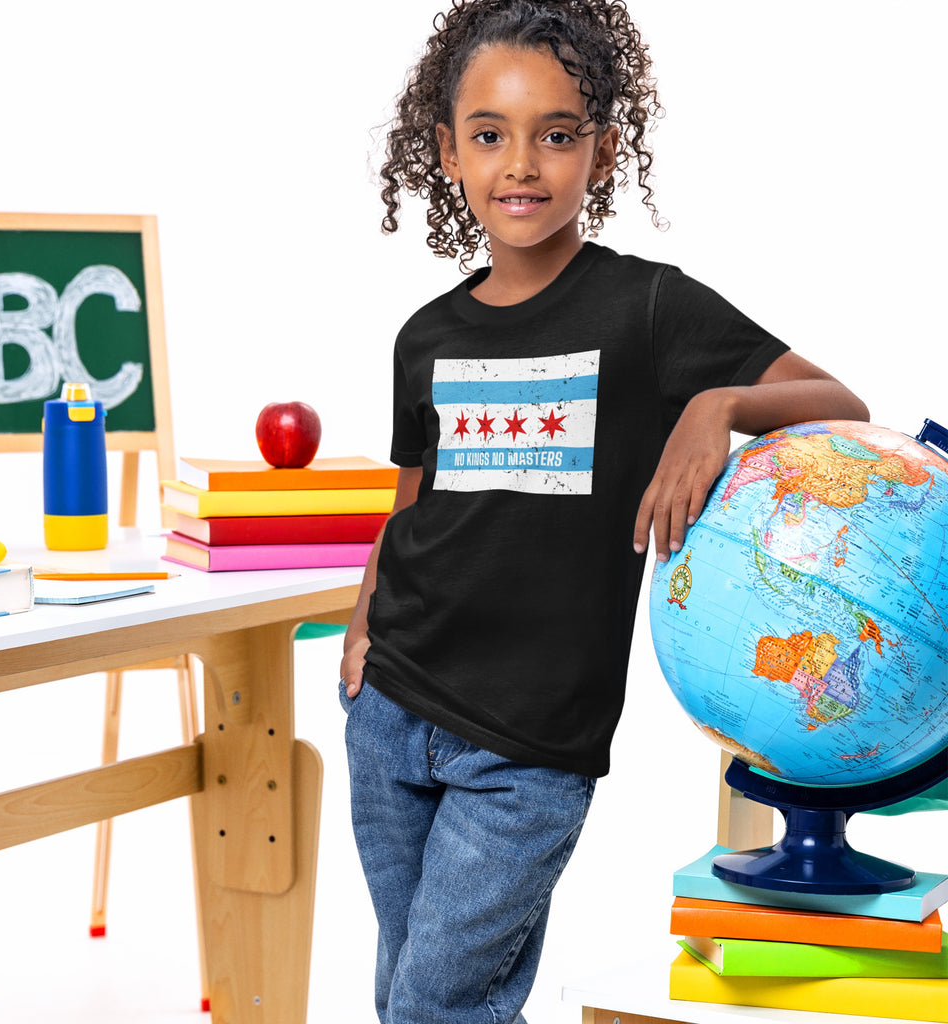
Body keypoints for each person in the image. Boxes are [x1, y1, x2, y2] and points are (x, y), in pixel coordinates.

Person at [338, 2, 869, 1021]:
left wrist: (719, 403)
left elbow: (838, 403)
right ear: (447, 151)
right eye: (489, 134)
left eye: (557, 132)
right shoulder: (423, 335)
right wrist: (365, 621)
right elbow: (414, 502)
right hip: (392, 711)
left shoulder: (651, 310)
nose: (521, 162)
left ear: (602, 149)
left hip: (528, 747)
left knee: (430, 1004)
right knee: (419, 994)